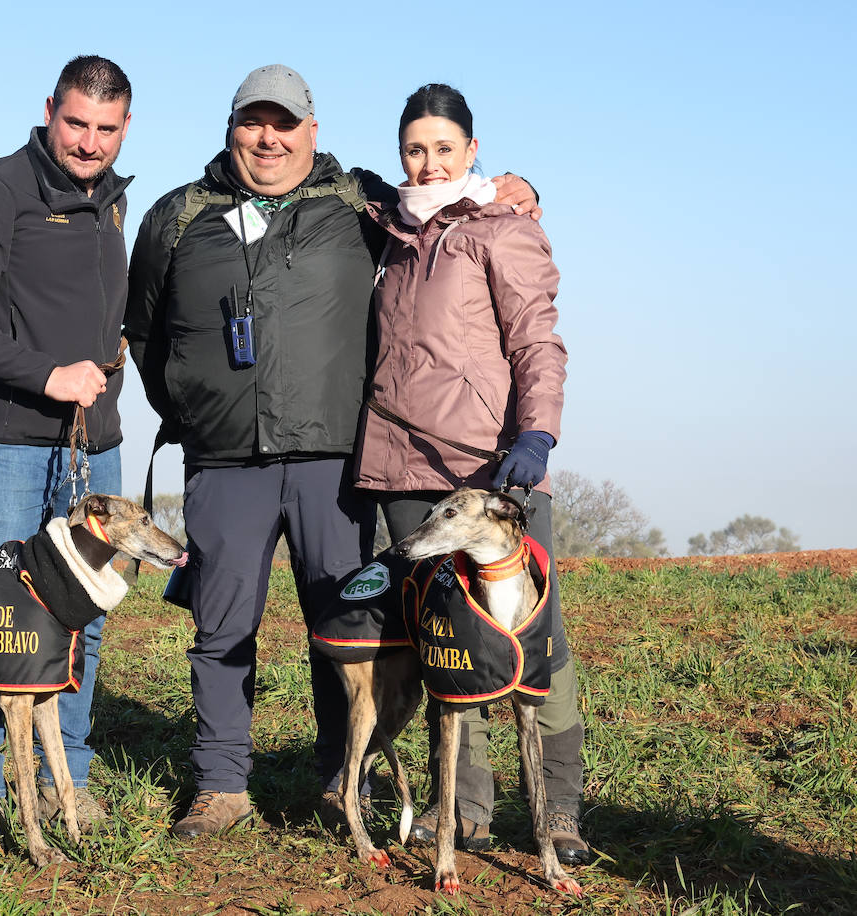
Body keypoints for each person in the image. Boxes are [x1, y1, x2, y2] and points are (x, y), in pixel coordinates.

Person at [123, 65, 539, 838]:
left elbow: (440, 205)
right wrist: (190, 406)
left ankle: (339, 779)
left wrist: (515, 186)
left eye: (285, 123)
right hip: (223, 461)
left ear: (313, 130)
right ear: (232, 127)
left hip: (334, 460)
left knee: (343, 625)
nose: (269, 138)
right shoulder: (178, 216)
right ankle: (220, 785)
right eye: (254, 123)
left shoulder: (360, 201)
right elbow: (144, 329)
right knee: (220, 628)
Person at [354, 82, 589, 864]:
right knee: (446, 647)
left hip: (491, 475)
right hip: (402, 469)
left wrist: (538, 433)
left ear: (472, 149)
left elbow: (538, 342)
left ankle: (557, 815)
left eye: (443, 149)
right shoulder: (386, 229)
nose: (428, 164)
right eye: (415, 149)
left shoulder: (502, 225)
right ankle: (465, 808)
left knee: (532, 644)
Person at [0, 55, 133, 850]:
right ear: (50, 110)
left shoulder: (112, 200)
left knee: (85, 617)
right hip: (7, 442)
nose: (88, 143)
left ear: (124, 128)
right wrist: (46, 375)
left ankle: (63, 779)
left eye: (106, 129)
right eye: (76, 123)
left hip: (95, 449)